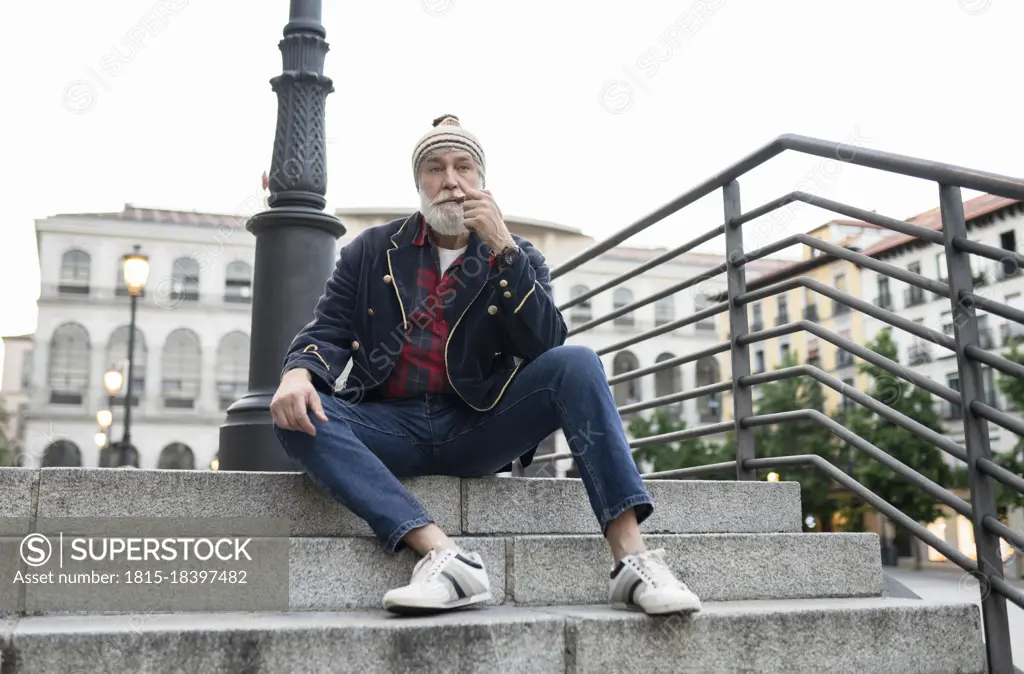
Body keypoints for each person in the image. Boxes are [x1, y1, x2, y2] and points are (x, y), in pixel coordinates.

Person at [270, 114, 702, 617]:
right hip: (389, 424)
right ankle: (444, 556)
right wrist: (298, 372)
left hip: (477, 423)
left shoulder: (517, 255)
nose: (450, 180)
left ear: (482, 182)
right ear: (419, 185)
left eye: (463, 167)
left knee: (578, 362)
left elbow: (548, 345)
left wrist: (505, 251)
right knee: (295, 415)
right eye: (434, 168)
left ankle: (633, 561)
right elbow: (327, 330)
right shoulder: (371, 251)